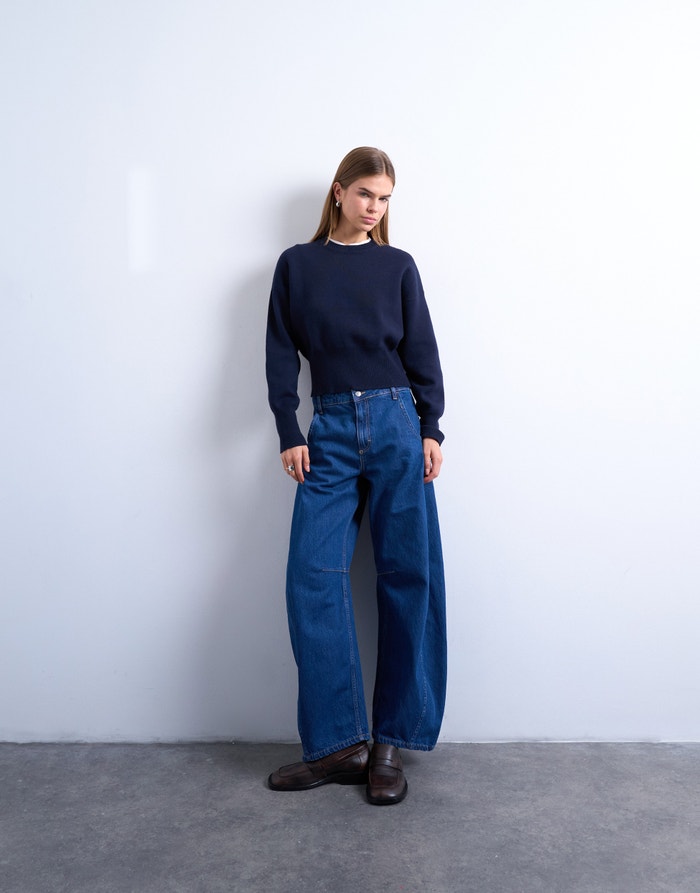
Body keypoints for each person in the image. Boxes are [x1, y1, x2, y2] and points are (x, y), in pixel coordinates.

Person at [265, 146, 447, 805]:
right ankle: (342, 745)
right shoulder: (297, 265)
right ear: (339, 192)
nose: (375, 207)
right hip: (331, 428)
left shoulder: (398, 266)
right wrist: (289, 429)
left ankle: (391, 741)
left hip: (398, 421)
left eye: (386, 198)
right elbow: (279, 351)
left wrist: (432, 426)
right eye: (366, 193)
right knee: (311, 574)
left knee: (408, 574)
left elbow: (421, 348)